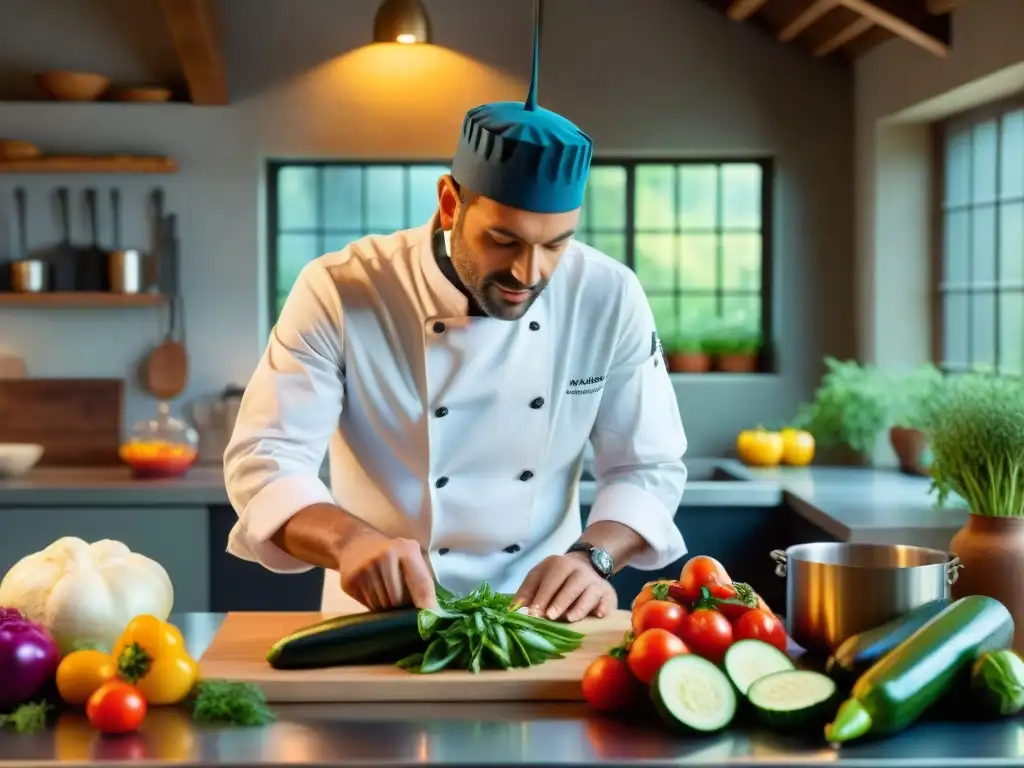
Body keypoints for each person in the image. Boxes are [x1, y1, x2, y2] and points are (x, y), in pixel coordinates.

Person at [223, 4, 689, 622]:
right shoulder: (343, 288)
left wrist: (591, 560)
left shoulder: (609, 295)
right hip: (374, 623)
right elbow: (266, 460)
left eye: (556, 244)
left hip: (541, 625)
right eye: (504, 240)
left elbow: (647, 466)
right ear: (450, 204)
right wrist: (350, 540)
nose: (530, 273)